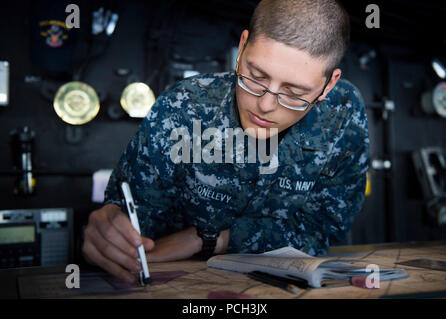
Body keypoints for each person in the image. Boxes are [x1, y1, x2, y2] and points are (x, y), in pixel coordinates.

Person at [82, 0, 370, 284]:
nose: (265, 105)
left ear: (329, 84)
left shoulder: (343, 114)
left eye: (294, 93)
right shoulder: (184, 106)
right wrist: (112, 231)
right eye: (256, 77)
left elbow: (322, 231)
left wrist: (209, 239)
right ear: (242, 46)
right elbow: (136, 224)